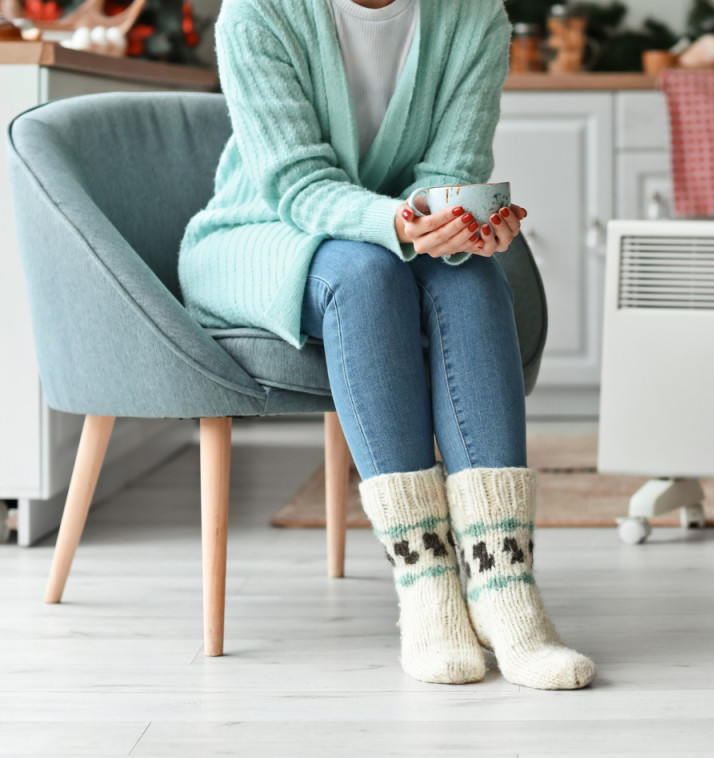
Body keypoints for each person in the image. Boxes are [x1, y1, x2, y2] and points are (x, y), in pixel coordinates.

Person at [178, 0, 593, 691]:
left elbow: (450, 166)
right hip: (259, 234)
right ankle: (428, 586)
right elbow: (295, 184)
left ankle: (504, 590)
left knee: (471, 277)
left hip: (381, 233)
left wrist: (458, 221)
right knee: (367, 272)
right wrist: (397, 225)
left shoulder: (474, 17)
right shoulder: (258, 12)